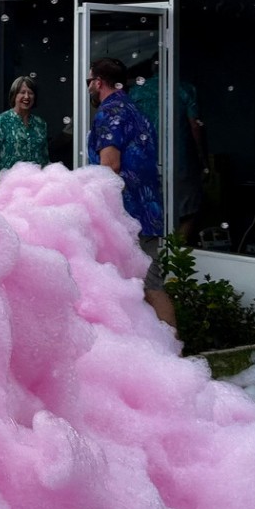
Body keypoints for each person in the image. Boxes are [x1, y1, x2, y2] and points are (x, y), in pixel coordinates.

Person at [87, 56, 179, 331]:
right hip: (148, 211)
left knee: (138, 287)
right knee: (148, 286)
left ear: (99, 82)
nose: (88, 86)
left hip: (125, 216)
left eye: (89, 81)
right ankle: (165, 348)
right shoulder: (136, 111)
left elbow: (110, 167)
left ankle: (170, 352)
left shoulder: (109, 112)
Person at [129, 60, 206, 244]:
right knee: (188, 210)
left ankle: (153, 253)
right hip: (180, 160)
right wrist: (203, 159)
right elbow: (195, 126)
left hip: (145, 161)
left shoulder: (137, 91)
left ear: (152, 68)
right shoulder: (185, 89)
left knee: (150, 209)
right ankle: (174, 253)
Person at [0, 75, 48, 188]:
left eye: (30, 93)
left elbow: (44, 158)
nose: (26, 96)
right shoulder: (1, 121)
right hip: (7, 186)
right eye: (22, 92)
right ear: (14, 95)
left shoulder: (40, 124)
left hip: (34, 187)